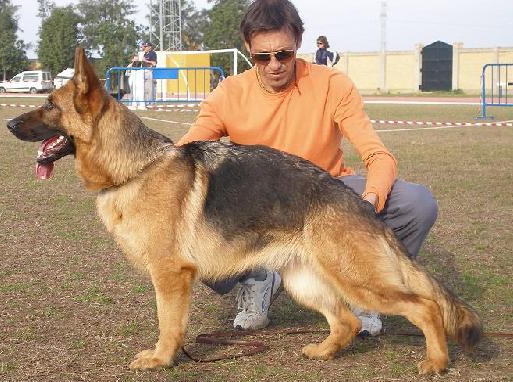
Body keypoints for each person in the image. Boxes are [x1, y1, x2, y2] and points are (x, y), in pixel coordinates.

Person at [177, 0, 438, 335]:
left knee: (417, 204)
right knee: (190, 221)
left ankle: (365, 290)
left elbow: (378, 156)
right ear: (247, 49)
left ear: (299, 42)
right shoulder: (227, 93)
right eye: (262, 57)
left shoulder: (333, 84)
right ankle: (258, 279)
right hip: (258, 209)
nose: (273, 65)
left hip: (325, 196)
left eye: (283, 54)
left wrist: (368, 205)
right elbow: (183, 154)